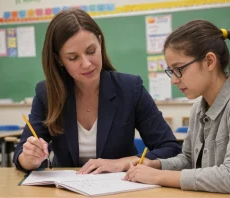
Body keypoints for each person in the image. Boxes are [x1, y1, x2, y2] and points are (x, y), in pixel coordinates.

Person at [124, 20, 230, 198]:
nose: (174, 80)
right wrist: (158, 165)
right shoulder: (198, 109)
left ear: (209, 61)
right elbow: (189, 160)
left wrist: (159, 176)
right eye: (171, 71)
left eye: (178, 69)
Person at [13, 8, 181, 173]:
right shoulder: (47, 94)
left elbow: (170, 148)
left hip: (121, 187)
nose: (86, 63)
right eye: (73, 58)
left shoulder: (130, 88)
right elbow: (20, 155)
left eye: (91, 51)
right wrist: (28, 159)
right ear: (59, 59)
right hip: (66, 190)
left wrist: (125, 162)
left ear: (100, 43)